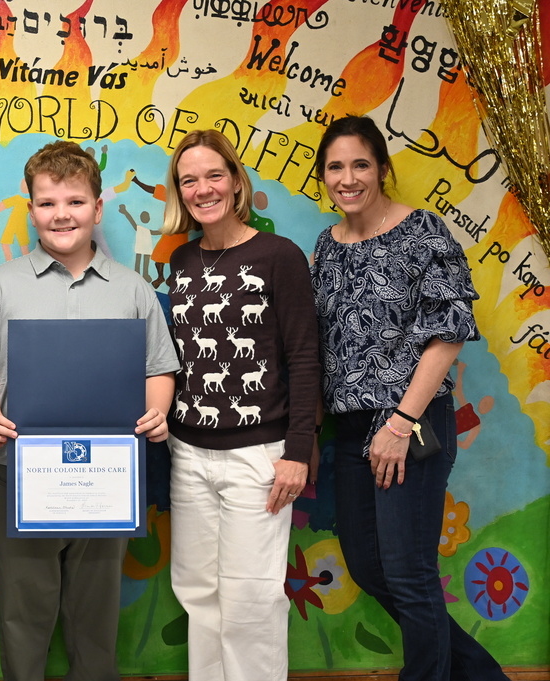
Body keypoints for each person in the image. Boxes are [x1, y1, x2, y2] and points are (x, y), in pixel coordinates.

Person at [0, 140, 179, 681]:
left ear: (98, 209)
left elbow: (159, 368)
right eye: (48, 203)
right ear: (31, 208)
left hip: (106, 478)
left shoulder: (134, 291)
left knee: (95, 614)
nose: (62, 215)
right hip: (18, 474)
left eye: (76, 202)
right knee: (22, 612)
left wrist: (155, 411)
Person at [312, 115, 508, 681]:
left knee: (408, 572)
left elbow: (449, 331)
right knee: (368, 566)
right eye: (335, 167)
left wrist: (399, 423)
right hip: (350, 431)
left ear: (382, 169)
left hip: (411, 424)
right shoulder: (326, 245)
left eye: (360, 164)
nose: (347, 178)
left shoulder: (422, 231)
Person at [162, 129, 320, 681]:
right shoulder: (181, 262)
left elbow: (304, 357)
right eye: (189, 180)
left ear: (234, 181)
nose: (203, 188)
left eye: (213, 175)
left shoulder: (278, 256)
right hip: (188, 451)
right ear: (178, 193)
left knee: (250, 600)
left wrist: (298, 450)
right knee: (199, 592)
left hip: (259, 456)